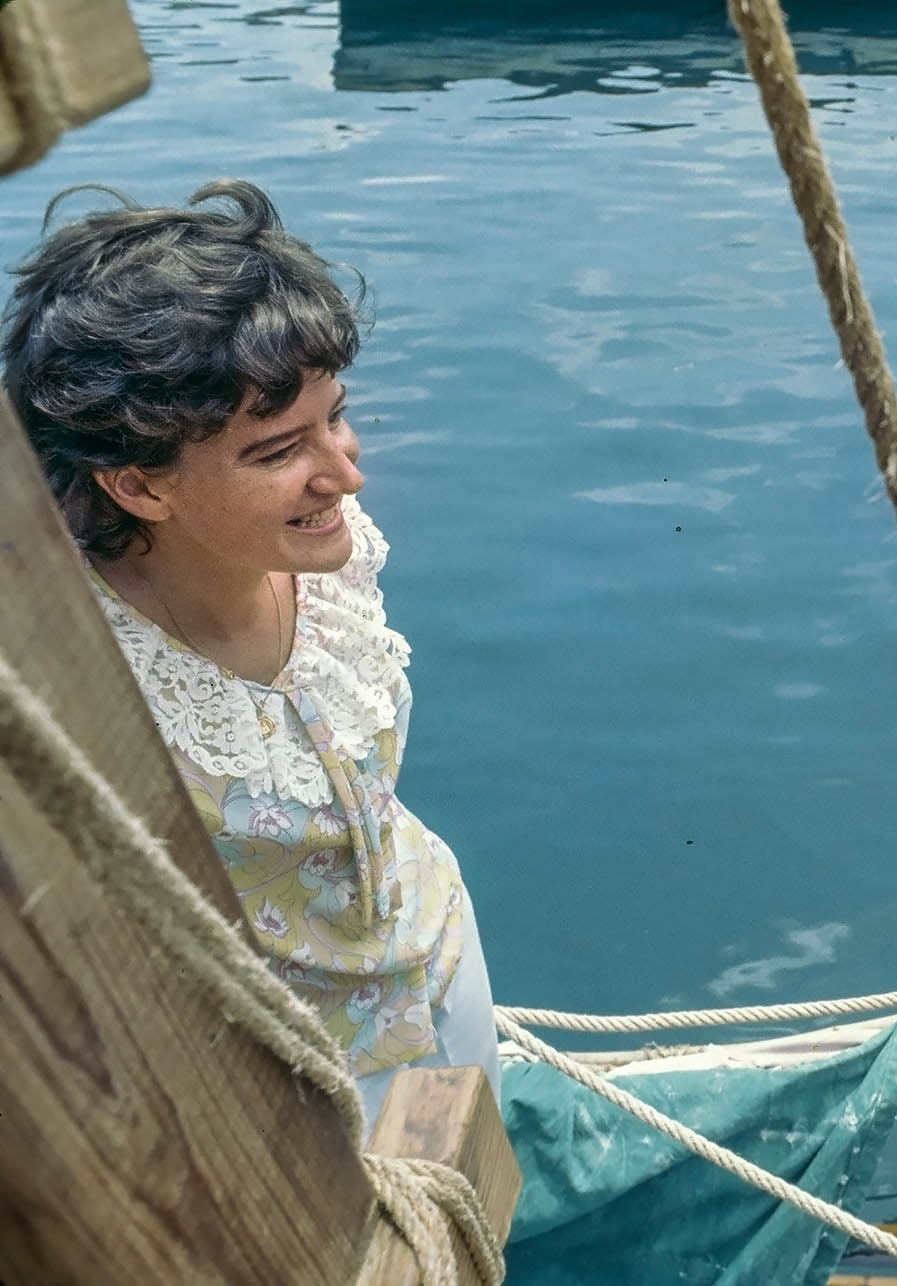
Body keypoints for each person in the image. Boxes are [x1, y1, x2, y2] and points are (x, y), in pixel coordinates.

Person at [5, 179, 500, 1135]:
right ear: (139, 486)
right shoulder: (73, 684)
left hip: (441, 958)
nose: (346, 473)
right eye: (280, 451)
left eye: (338, 417)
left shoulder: (323, 551)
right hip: (276, 1089)